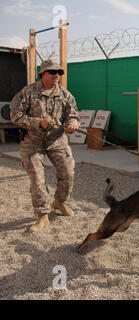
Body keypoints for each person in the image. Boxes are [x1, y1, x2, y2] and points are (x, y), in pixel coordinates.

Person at [10, 60, 80, 232]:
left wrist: (72, 125)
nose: (57, 75)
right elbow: (15, 115)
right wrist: (37, 123)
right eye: (53, 72)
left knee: (68, 172)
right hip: (32, 141)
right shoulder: (27, 92)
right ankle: (42, 216)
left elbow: (73, 115)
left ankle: (60, 202)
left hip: (57, 140)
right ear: (43, 74)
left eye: (59, 72)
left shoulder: (65, 95)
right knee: (37, 177)